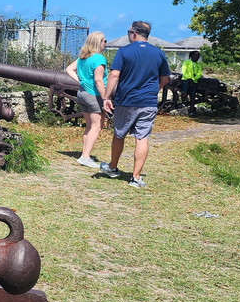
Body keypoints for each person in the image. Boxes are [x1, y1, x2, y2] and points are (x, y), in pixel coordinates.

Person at [101, 21, 171, 189]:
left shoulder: (124, 51)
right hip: (148, 102)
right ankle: (136, 177)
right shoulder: (158, 53)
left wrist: (106, 97)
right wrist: (154, 90)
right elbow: (165, 79)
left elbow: (114, 75)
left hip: (126, 100)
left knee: (119, 134)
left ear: (134, 34)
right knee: (142, 137)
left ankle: (113, 167)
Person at [65, 31, 107, 168]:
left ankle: (84, 154)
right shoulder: (99, 59)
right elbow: (98, 81)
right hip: (94, 95)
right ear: (98, 42)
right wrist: (105, 98)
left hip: (82, 93)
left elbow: (69, 69)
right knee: (97, 127)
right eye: (104, 41)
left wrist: (81, 81)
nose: (105, 43)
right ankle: (85, 157)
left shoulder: (83, 57)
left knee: (89, 126)